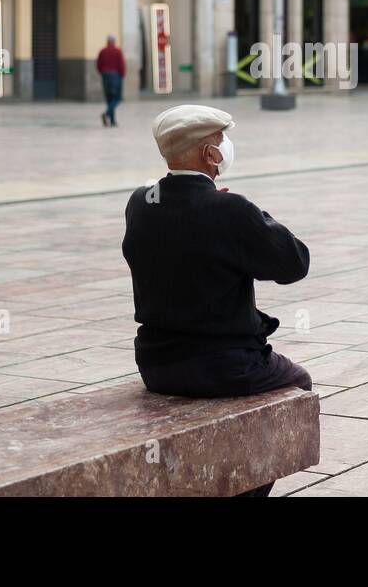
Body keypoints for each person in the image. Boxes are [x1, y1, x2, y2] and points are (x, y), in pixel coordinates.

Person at [123, 104, 311, 497]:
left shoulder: (140, 202)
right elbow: (294, 262)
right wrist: (246, 213)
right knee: (297, 385)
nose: (226, 145)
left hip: (156, 363)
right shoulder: (231, 210)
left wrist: (225, 212)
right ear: (210, 154)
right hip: (223, 367)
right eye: (221, 139)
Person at [97, 34, 125, 127]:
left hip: (105, 76)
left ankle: (112, 121)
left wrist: (102, 72)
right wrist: (122, 75)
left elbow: (98, 64)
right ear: (114, 41)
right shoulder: (118, 51)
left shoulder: (102, 51)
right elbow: (121, 64)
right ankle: (107, 113)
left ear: (107, 41)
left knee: (109, 99)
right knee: (117, 98)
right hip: (115, 76)